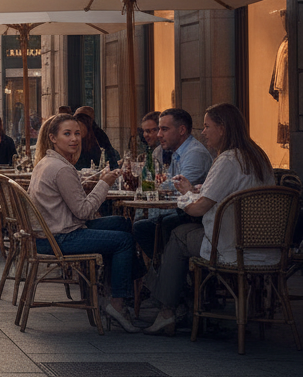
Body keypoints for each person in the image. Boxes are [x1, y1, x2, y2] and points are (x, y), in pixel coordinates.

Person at [143, 103, 276, 335]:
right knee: (172, 229)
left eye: (207, 126)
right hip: (269, 247)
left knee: (178, 234)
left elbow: (198, 209)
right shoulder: (258, 156)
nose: (203, 132)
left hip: (232, 246)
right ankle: (189, 298)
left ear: (222, 128)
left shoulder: (228, 159)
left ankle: (168, 311)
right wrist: (195, 191)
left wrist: (185, 195)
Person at [27, 114, 141, 332]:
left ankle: (114, 286)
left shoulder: (47, 162)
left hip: (49, 233)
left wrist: (87, 183)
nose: (74, 139)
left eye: (77, 133)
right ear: (53, 137)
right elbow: (85, 212)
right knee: (125, 242)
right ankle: (118, 302)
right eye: (67, 134)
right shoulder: (61, 169)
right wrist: (103, 184)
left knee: (122, 223)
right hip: (60, 238)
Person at [133, 108, 214, 257]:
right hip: (182, 211)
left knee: (145, 226)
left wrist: (154, 184)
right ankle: (159, 269)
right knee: (136, 224)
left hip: (196, 216)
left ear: (182, 130)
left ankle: (164, 269)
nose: (159, 135)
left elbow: (175, 188)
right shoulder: (177, 153)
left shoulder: (194, 153)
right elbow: (165, 184)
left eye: (164, 129)